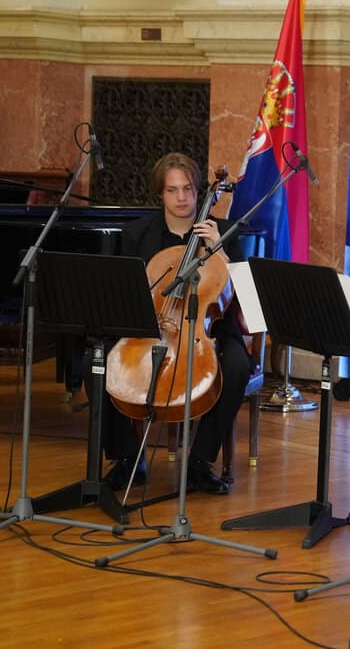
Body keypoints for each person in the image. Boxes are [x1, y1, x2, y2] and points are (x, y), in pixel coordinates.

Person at [100, 152, 250, 495]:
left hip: (210, 328)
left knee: (238, 366)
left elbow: (245, 293)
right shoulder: (137, 234)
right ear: (160, 193)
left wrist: (220, 251)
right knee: (102, 359)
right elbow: (124, 292)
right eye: (172, 190)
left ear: (199, 192)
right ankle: (127, 459)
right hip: (150, 323)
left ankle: (199, 462)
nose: (181, 198)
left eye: (187, 189)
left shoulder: (223, 232)